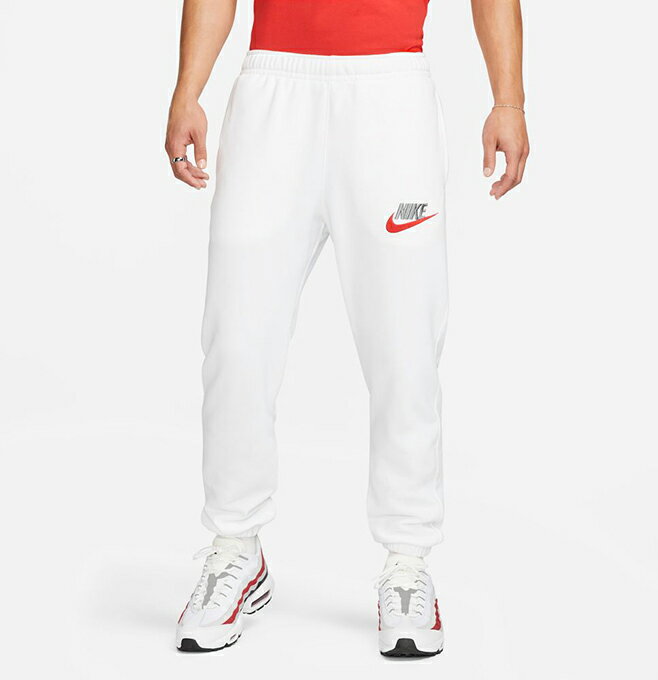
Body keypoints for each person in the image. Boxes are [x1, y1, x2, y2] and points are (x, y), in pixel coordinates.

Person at [167, 0, 529, 658]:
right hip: (273, 89)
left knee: (404, 345)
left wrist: (509, 100)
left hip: (390, 95)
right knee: (236, 337)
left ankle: (408, 560)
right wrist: (188, 88)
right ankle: (235, 547)